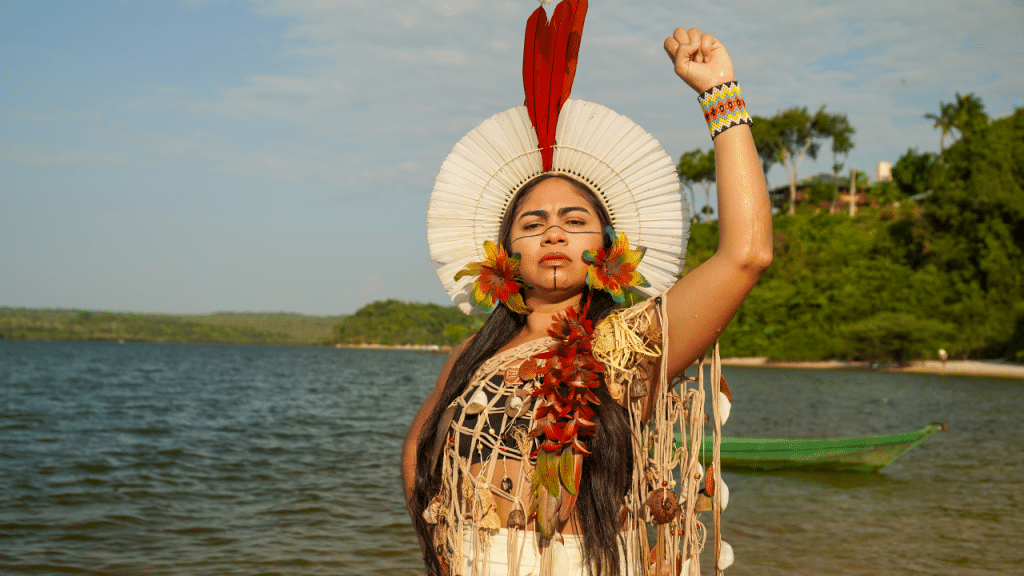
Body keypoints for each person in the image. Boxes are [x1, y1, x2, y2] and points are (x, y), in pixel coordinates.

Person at [403, 2, 772, 575]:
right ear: (505, 255)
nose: (553, 231)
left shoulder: (628, 346)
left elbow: (745, 256)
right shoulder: (473, 355)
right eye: (532, 224)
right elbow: (420, 449)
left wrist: (720, 93)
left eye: (575, 222)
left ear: (606, 249)